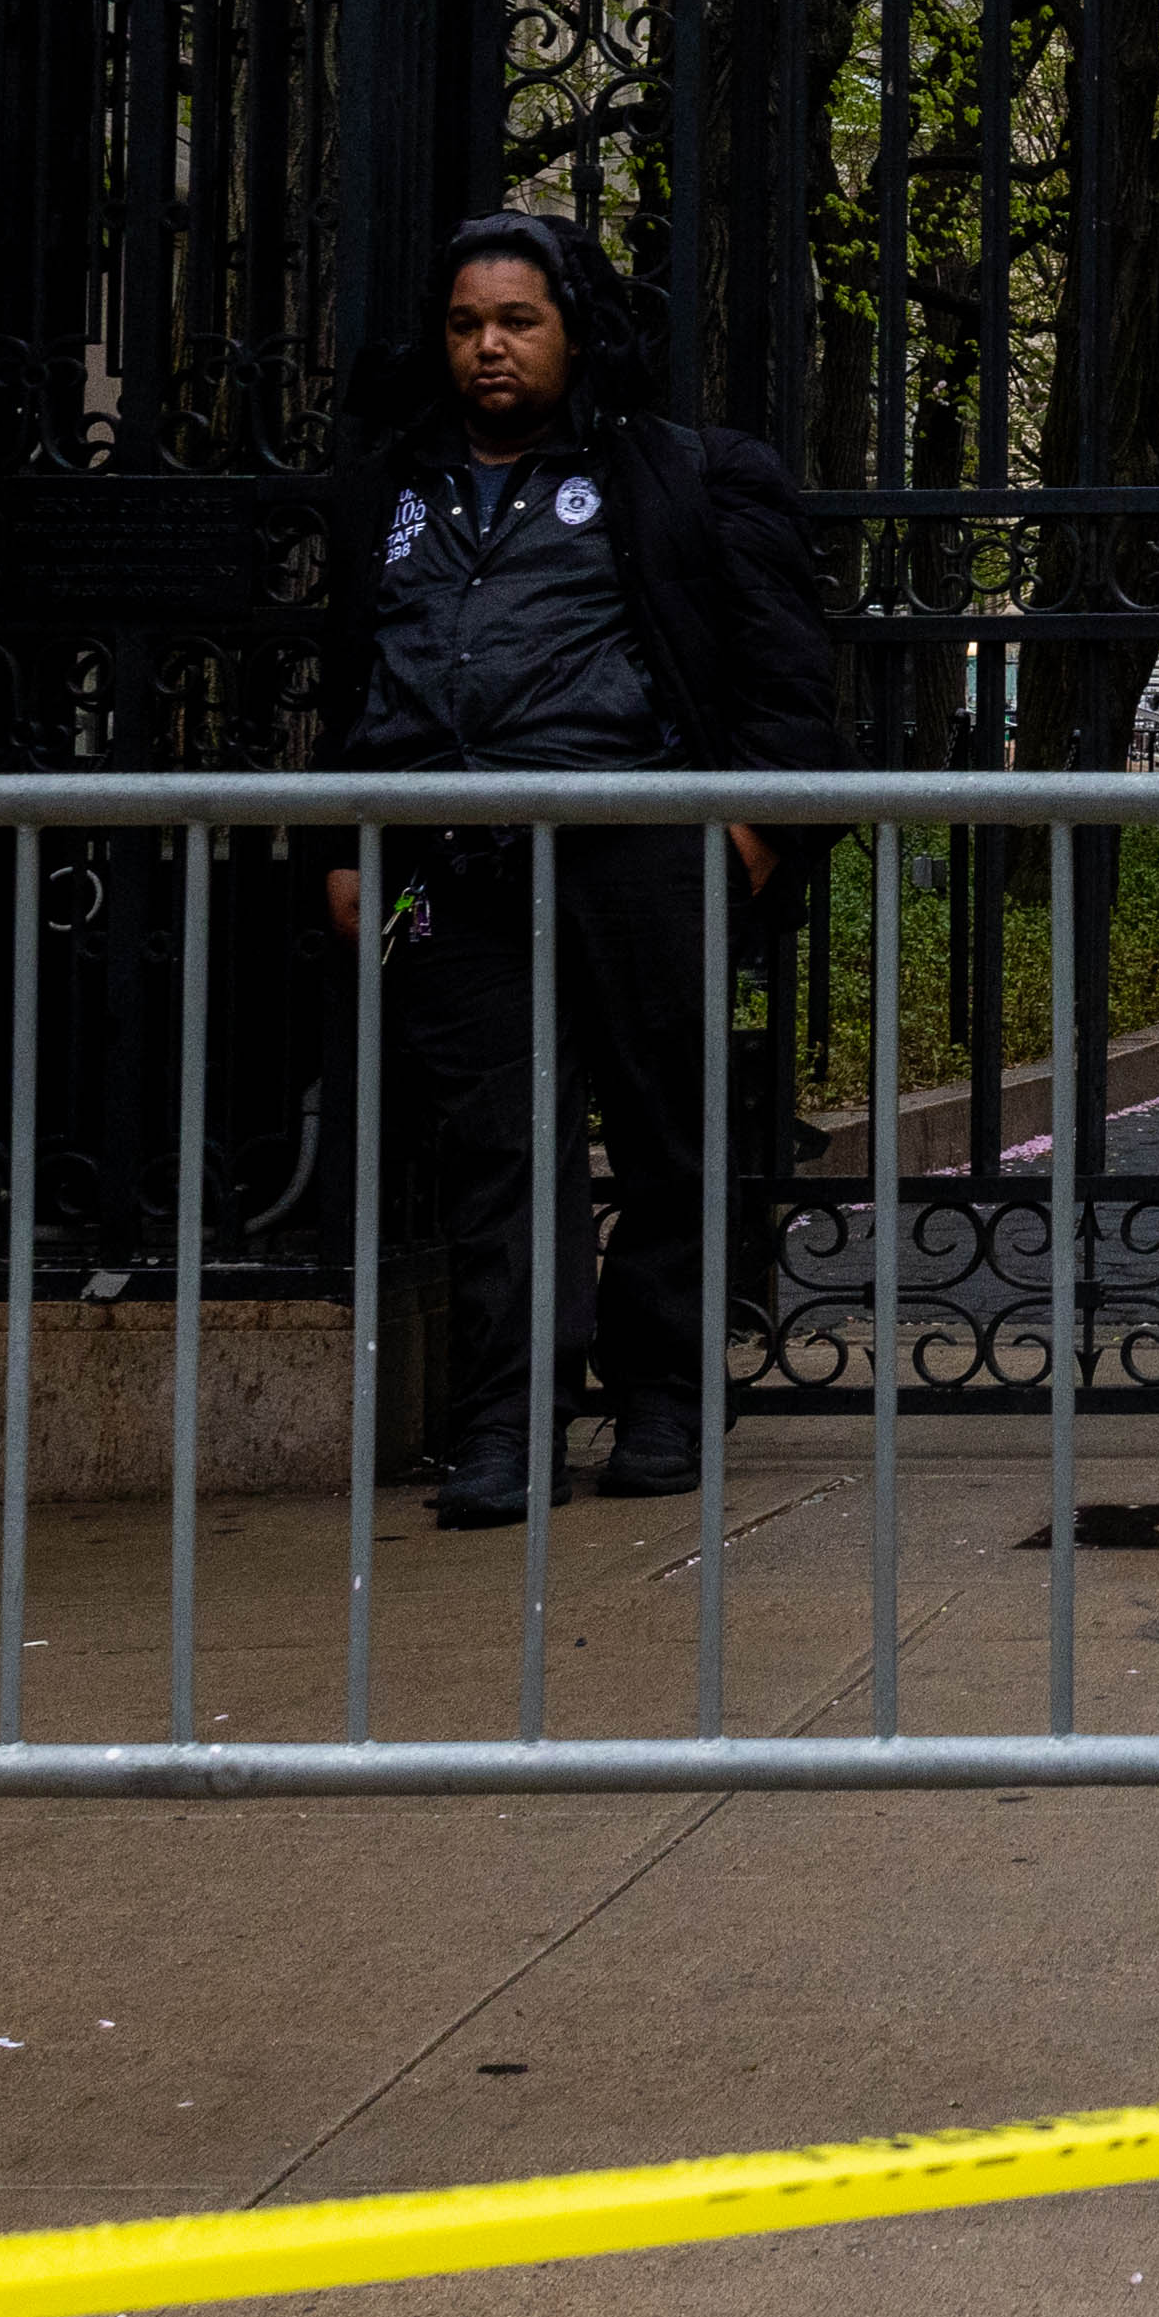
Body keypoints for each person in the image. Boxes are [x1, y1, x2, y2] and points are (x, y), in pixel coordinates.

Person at [320, 210, 848, 1528]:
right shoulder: (391, 487)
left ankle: (666, 1392)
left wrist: (748, 839)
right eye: (463, 325)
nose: (487, 348)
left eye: (516, 321)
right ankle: (511, 1420)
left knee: (672, 1132)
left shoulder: (685, 475)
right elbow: (348, 677)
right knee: (495, 1149)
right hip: (436, 866)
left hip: (642, 850)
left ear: (573, 331)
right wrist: (341, 845)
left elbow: (787, 678)